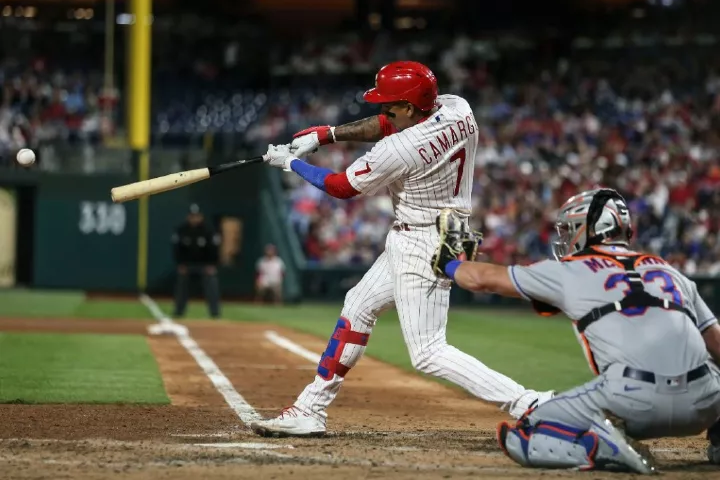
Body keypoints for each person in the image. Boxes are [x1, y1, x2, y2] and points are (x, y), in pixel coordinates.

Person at [252, 60, 554, 437]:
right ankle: (310, 408)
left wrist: (292, 163)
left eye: (390, 105)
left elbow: (342, 187)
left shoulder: (400, 148)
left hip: (424, 240)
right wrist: (328, 134)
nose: (383, 111)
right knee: (357, 306)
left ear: (411, 107)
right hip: (445, 227)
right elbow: (389, 123)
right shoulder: (457, 107)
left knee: (428, 351)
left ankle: (530, 403)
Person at [429, 188, 720, 474]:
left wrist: (450, 263)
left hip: (633, 400)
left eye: (571, 229)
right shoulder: (670, 271)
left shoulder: (570, 269)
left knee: (525, 433)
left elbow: (484, 280)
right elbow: (716, 345)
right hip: (706, 403)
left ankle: (601, 447)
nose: (566, 238)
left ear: (589, 229)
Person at [171, 203, 221, 319]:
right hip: (187, 266)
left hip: (205, 266)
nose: (194, 218)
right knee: (182, 284)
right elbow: (176, 249)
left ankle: (215, 313)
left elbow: (214, 249)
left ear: (201, 216)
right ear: (188, 217)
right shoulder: (182, 230)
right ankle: (179, 311)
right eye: (192, 216)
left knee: (212, 283)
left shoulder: (208, 230)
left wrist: (212, 265)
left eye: (196, 216)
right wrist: (180, 264)